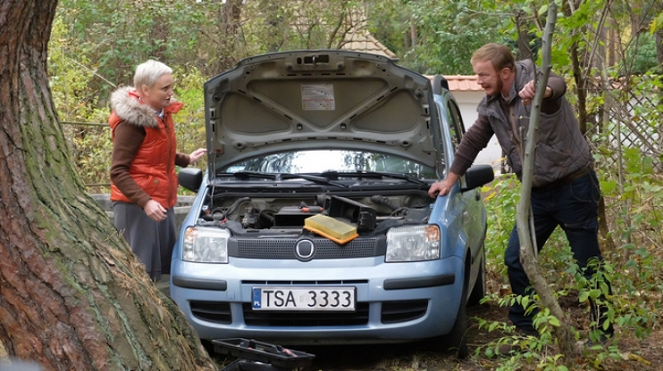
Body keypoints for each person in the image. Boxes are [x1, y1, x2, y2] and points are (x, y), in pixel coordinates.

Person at [428, 43, 613, 344]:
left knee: (588, 262)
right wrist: (449, 180)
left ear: (505, 72)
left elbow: (558, 84)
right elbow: (473, 141)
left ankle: (603, 334)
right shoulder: (492, 105)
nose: (479, 81)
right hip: (536, 195)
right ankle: (525, 330)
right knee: (516, 257)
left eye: (483, 75)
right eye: (477, 75)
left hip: (574, 187)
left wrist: (541, 92)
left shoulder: (536, 84)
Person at [109, 60, 206, 281]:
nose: (171, 93)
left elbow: (157, 151)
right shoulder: (131, 123)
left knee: (163, 271)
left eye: (171, 86)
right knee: (140, 275)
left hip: (161, 201)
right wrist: (145, 202)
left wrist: (186, 159)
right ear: (145, 90)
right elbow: (118, 171)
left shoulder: (162, 112)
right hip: (137, 206)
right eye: (165, 88)